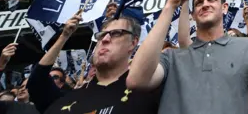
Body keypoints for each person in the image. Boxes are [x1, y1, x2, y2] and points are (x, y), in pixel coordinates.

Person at [127, 0, 248, 114]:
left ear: (224, 8)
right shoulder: (172, 58)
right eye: (199, 2)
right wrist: (172, 4)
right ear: (193, 15)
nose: (205, 4)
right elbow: (135, 80)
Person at [27, 12, 161, 114]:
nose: (105, 39)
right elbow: (36, 82)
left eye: (116, 33)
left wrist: (171, 5)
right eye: (102, 35)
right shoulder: (67, 98)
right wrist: (64, 35)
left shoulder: (148, 91)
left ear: (133, 43)